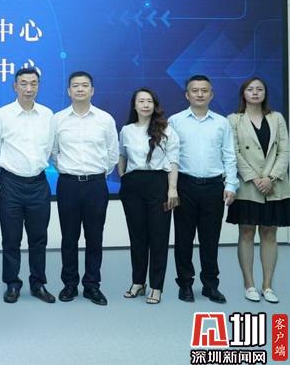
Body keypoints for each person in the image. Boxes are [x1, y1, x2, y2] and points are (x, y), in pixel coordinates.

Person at [168, 74, 238, 304]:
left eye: (204, 90)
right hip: (185, 186)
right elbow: (169, 156)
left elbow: (229, 155)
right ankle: (185, 284)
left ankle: (210, 285)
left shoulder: (221, 123)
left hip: (213, 187)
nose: (199, 94)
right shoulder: (175, 121)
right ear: (186, 95)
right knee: (183, 239)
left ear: (211, 94)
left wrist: (231, 185)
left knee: (210, 239)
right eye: (195, 90)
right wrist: (171, 188)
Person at [52, 71, 119, 306]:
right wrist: (67, 170)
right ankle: (70, 284)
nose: (80, 89)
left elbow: (113, 153)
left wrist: (98, 173)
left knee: (94, 236)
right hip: (68, 184)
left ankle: (92, 285)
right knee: (69, 237)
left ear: (92, 90)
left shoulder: (105, 119)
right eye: (75, 86)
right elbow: (53, 152)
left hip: (95, 185)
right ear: (68, 91)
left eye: (84, 85)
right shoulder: (58, 119)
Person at [0, 66, 56, 304]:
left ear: (38, 86)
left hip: (38, 183)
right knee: (11, 238)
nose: (29, 88)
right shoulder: (3, 114)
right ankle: (12, 284)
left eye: (33, 84)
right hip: (10, 184)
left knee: (39, 238)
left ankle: (38, 284)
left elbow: (51, 148)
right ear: (15, 86)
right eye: (24, 84)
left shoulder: (48, 115)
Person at [226, 77, 288, 304]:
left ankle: (268, 286)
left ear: (265, 93)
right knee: (246, 232)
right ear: (243, 94)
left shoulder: (276, 118)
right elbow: (233, 152)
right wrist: (254, 178)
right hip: (247, 185)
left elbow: (284, 151)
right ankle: (249, 285)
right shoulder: (234, 119)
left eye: (259, 89)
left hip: (274, 184)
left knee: (270, 233)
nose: (255, 93)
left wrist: (271, 178)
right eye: (250, 89)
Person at [117, 88, 180, 305]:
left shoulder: (166, 129)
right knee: (137, 236)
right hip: (133, 186)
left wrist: (172, 189)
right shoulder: (126, 130)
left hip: (159, 184)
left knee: (159, 237)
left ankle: (156, 286)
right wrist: (124, 176)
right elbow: (122, 155)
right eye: (141, 101)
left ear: (155, 105)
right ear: (134, 106)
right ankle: (138, 282)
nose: (145, 105)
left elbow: (173, 160)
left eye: (149, 101)